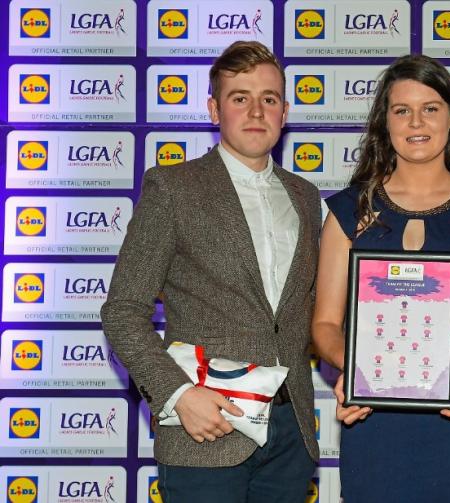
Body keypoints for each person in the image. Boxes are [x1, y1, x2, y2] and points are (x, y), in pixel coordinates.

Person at [101, 41, 320, 503]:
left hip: (290, 433)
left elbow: (313, 310)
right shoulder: (173, 188)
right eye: (240, 98)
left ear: (284, 112)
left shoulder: (304, 196)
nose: (256, 111)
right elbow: (122, 310)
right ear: (214, 110)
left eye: (269, 98)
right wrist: (178, 395)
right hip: (206, 430)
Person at [312, 54, 450, 503]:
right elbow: (325, 325)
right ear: (384, 121)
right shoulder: (348, 211)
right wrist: (359, 369)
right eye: (401, 110)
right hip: (374, 416)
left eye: (430, 108)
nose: (416, 122)